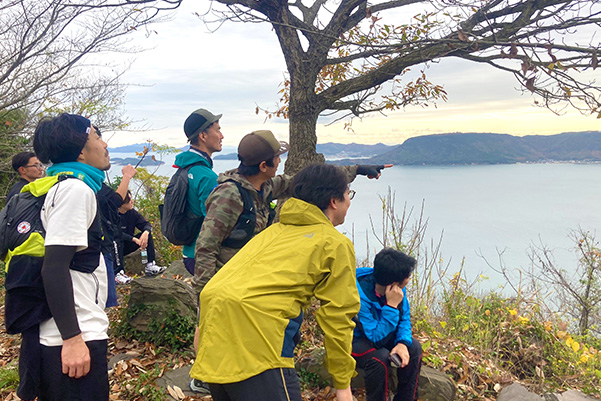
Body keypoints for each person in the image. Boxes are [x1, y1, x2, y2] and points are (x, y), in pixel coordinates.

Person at [190, 164, 361, 401]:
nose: (349, 202)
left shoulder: (273, 232)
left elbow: (224, 286)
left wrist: (203, 326)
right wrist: (342, 384)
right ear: (334, 201)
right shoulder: (334, 243)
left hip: (216, 334)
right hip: (257, 336)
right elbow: (339, 316)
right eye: (348, 195)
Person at [31, 113, 111, 400]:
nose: (104, 144)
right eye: (97, 137)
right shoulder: (75, 190)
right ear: (81, 151)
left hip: (64, 330)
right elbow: (54, 268)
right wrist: (73, 340)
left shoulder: (57, 184)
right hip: (74, 332)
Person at [352, 248, 422, 401]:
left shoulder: (395, 290)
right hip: (356, 339)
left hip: (381, 332)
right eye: (407, 276)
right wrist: (391, 306)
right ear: (394, 282)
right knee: (380, 358)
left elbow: (404, 319)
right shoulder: (358, 295)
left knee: (414, 347)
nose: (409, 278)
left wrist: (402, 343)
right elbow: (376, 339)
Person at [175, 108, 223, 275]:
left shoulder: (184, 168)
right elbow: (216, 222)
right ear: (203, 136)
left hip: (190, 252)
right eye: (218, 130)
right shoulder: (206, 176)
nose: (222, 136)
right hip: (204, 255)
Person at [118, 191, 165, 275]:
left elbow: (146, 224)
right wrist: (133, 239)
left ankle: (150, 265)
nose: (132, 201)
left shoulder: (132, 213)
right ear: (122, 203)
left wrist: (146, 232)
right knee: (118, 241)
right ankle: (119, 272)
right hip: (115, 247)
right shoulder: (113, 214)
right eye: (129, 200)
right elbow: (115, 233)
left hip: (129, 245)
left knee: (147, 234)